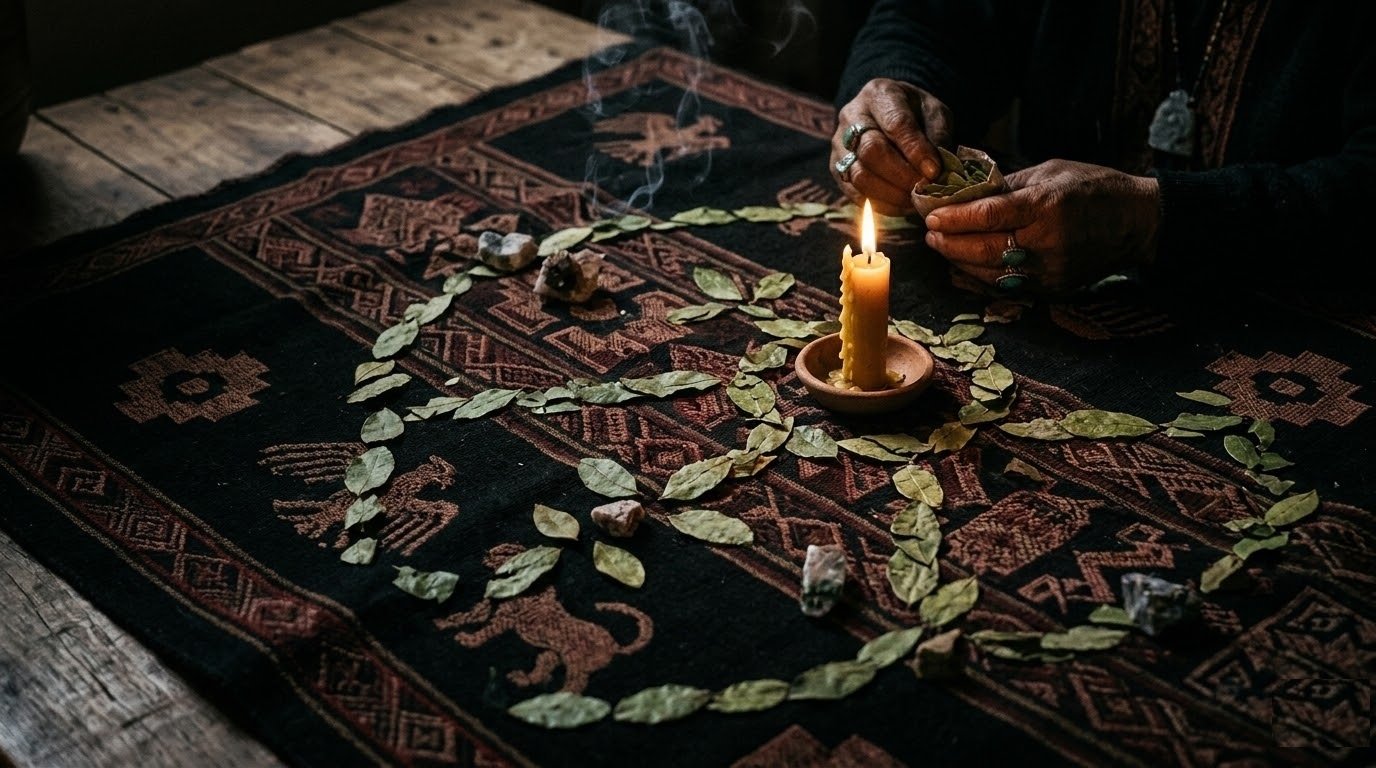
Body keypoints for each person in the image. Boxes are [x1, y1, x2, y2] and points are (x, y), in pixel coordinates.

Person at [829, 0, 1376, 295]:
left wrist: (1154, 220)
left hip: (1302, 324)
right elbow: (926, 20)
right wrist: (898, 90)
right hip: (1044, 311)